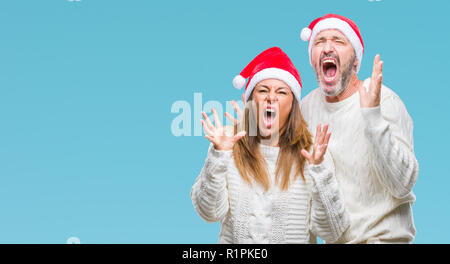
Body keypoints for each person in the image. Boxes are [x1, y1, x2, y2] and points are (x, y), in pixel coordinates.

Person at [191, 47, 349, 244]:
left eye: (282, 92)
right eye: (263, 90)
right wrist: (219, 155)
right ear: (251, 101)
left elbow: (333, 232)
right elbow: (209, 212)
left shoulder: (313, 153)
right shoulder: (227, 143)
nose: (271, 97)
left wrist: (320, 171)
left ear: (293, 106)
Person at [298, 14, 419, 243]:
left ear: (355, 61)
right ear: (313, 60)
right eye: (319, 41)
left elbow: (402, 184)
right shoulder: (306, 109)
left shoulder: (384, 99)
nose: (327, 48)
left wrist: (372, 116)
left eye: (338, 41)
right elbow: (305, 193)